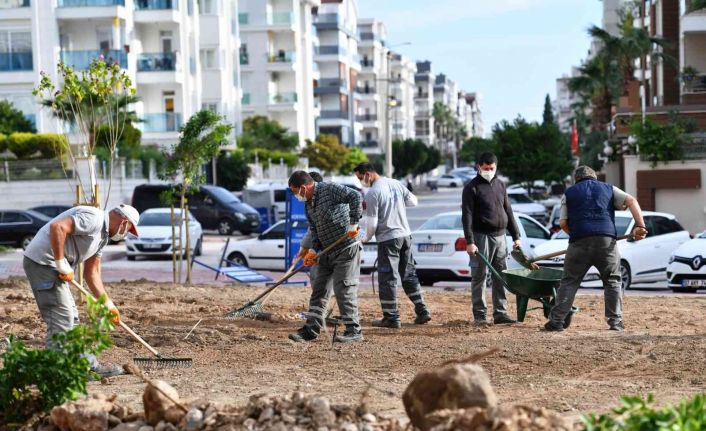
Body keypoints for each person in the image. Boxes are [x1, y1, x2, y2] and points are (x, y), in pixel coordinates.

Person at [23, 204, 140, 378]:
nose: (126, 234)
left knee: (73, 318)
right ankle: (55, 373)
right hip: (42, 263)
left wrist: (108, 304)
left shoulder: (102, 237)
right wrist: (61, 263)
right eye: (129, 229)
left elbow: (91, 273)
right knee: (61, 317)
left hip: (53, 266)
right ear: (124, 222)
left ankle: (86, 366)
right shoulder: (94, 218)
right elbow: (58, 227)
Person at [545, 166, 647, 332]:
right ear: (595, 178)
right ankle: (615, 322)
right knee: (612, 280)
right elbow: (632, 201)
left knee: (569, 282)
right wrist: (640, 226)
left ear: (576, 179)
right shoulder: (609, 188)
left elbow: (563, 223)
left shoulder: (569, 193)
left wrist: (577, 235)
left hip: (578, 242)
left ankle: (556, 322)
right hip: (606, 241)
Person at [287, 171, 364, 343]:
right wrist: (313, 251)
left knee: (343, 288)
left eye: (295, 191)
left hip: (346, 248)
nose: (295, 195)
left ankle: (354, 331)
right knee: (319, 290)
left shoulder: (329, 189)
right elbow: (315, 230)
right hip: (326, 251)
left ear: (303, 188)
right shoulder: (308, 205)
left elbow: (355, 196)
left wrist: (353, 223)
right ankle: (311, 330)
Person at [353, 162, 431, 328]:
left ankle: (391, 317)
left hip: (388, 239)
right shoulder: (395, 183)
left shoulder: (372, 193)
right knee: (409, 274)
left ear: (367, 174)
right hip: (405, 236)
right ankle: (422, 310)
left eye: (360, 178)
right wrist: (396, 206)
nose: (361, 182)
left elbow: (372, 224)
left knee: (387, 278)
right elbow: (413, 202)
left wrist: (365, 238)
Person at [461, 152, 520, 325]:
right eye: (485, 168)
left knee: (501, 276)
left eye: (491, 168)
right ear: (479, 167)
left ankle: (500, 313)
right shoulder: (471, 188)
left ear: (496, 167)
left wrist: (516, 236)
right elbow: (467, 216)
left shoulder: (501, 185)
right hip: (481, 238)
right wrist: (470, 242)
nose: (488, 171)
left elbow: (508, 211)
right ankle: (480, 315)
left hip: (500, 237)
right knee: (479, 276)